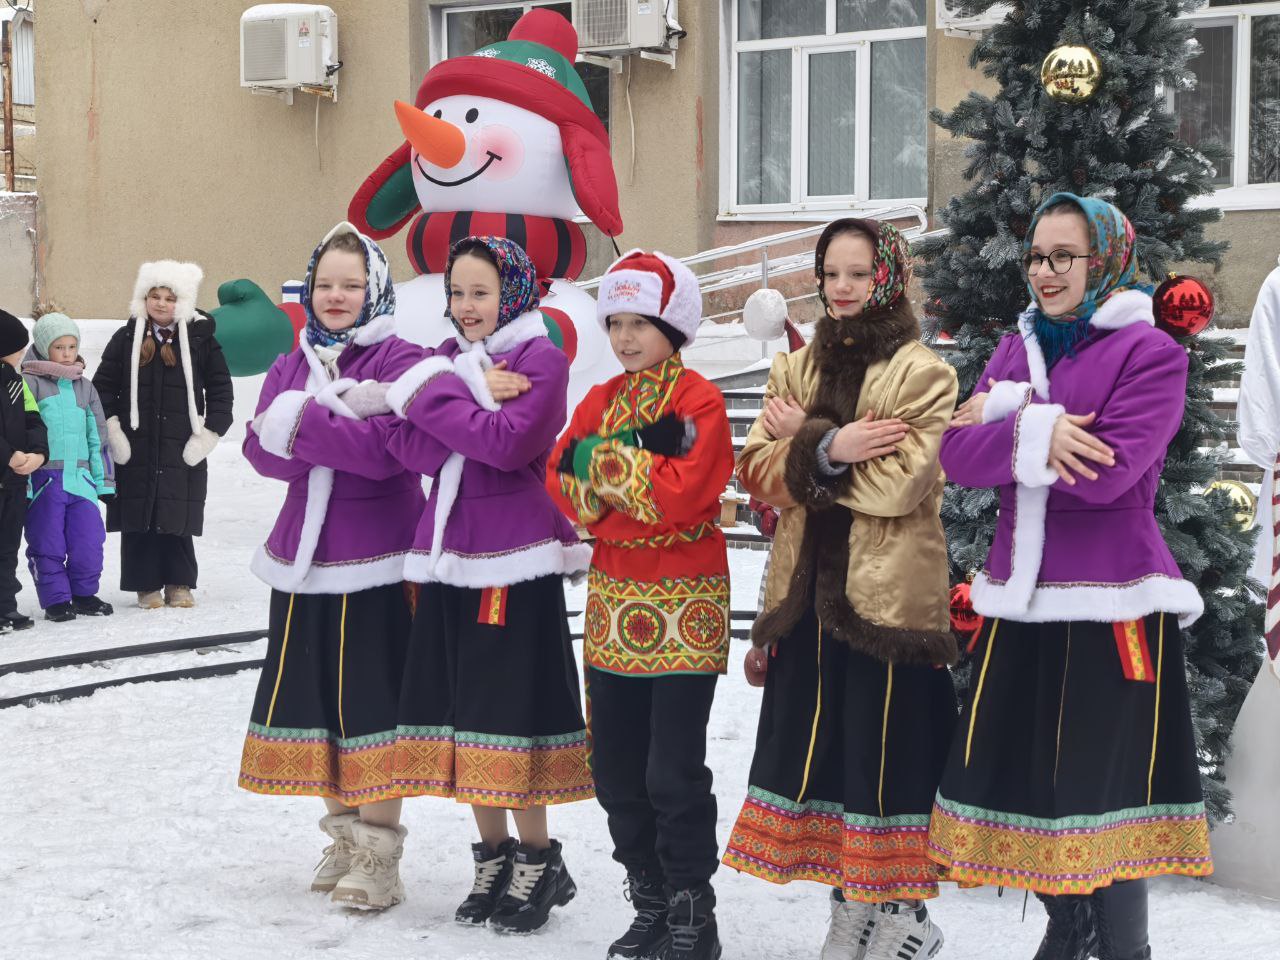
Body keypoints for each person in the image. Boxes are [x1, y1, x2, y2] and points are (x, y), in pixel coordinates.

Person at [930, 193, 1211, 960]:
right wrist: (1039, 423)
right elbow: (955, 456)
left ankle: (1123, 950)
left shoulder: (1151, 353)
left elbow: (1108, 475)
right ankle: (1069, 928)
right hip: (1022, 606)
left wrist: (1009, 418)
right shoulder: (1015, 349)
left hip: (1112, 604)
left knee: (1103, 802)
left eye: (1063, 257)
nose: (1045, 274)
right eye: (1036, 257)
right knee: (1028, 787)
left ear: (1105, 260)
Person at [723, 219, 959, 960]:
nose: (843, 288)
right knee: (830, 760)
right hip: (805, 603)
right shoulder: (795, 367)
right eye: (831, 274)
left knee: (888, 759)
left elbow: (899, 485)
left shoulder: (923, 371)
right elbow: (755, 472)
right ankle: (851, 906)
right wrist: (832, 444)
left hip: (887, 605)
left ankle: (908, 915)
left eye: (858, 273)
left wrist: (809, 445)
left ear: (888, 277)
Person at [387, 235, 593, 934]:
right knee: (461, 707)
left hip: (512, 554)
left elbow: (508, 444)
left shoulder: (542, 357)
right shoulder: (455, 361)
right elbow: (403, 443)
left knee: (510, 710)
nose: (465, 307)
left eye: (478, 292)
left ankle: (538, 857)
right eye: (456, 293)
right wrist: (471, 392)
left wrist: (440, 399)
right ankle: (495, 855)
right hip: (448, 556)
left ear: (511, 290)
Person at [548, 250, 735, 960]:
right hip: (614, 601)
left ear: (674, 327)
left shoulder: (700, 399)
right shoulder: (598, 398)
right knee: (616, 765)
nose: (625, 338)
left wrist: (597, 465)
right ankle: (651, 898)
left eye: (642, 323)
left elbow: (684, 496)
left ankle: (695, 910)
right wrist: (637, 463)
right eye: (615, 322)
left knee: (672, 768)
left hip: (687, 603)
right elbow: (558, 481)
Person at [238, 222, 426, 910]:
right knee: (317, 704)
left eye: (351, 284)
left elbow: (390, 452)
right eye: (325, 284)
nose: (337, 296)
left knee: (373, 705)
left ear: (374, 288)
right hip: (303, 561)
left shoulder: (406, 357)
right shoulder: (294, 360)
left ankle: (380, 853)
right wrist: (335, 417)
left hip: (377, 559)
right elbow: (260, 453)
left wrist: (300, 421)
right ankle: (345, 836)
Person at [92, 260, 234, 608]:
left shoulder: (202, 341)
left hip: (180, 444)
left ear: (181, 302)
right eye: (153, 296)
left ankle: (179, 583)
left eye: (169, 298)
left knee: (176, 513)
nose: (160, 304)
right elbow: (102, 388)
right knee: (140, 514)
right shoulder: (127, 338)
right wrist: (113, 430)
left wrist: (209, 434)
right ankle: (146, 585)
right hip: (136, 444)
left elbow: (220, 391)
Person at [21, 313, 114, 622]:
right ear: (44, 348)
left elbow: (97, 437)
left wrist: (104, 481)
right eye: (59, 347)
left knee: (88, 540)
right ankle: (57, 599)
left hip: (81, 479)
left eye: (72, 346)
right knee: (47, 541)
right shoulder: (28, 383)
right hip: (44, 479)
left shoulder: (85, 388)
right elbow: (23, 431)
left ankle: (85, 594)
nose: (66, 353)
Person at [0, 308, 48, 632]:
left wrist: (38, 453)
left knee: (7, 548)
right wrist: (8, 455)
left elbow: (33, 419)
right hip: (7, 469)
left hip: (15, 483)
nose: (23, 352)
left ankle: (5, 606)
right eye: (20, 346)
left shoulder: (17, 382)